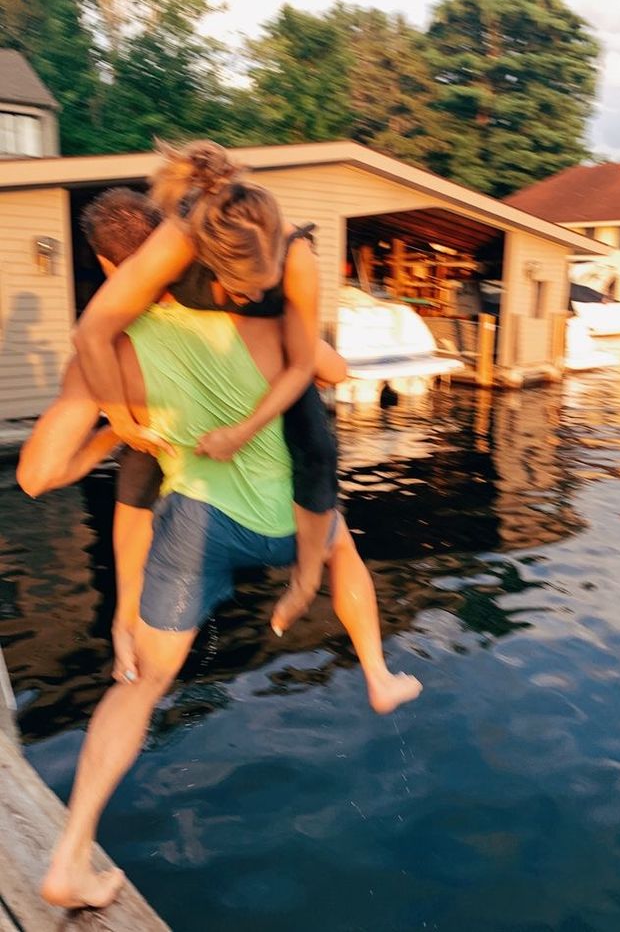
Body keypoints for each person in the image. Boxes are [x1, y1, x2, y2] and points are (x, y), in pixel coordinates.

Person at [24, 189, 422, 911]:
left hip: (195, 524)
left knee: (139, 685)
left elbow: (36, 476)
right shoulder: (256, 314)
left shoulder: (108, 354)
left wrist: (123, 429)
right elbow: (332, 372)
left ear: (116, 266)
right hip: (284, 517)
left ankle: (71, 852)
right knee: (340, 549)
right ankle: (378, 674)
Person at [73, 141, 340, 641]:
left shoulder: (298, 256)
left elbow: (304, 362)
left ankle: (305, 578)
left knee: (318, 447)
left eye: (265, 286)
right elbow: (91, 333)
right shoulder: (177, 239)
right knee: (139, 467)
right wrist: (122, 422)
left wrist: (244, 431)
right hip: (199, 357)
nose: (255, 296)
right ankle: (126, 615)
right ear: (205, 260)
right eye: (242, 289)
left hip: (271, 355)